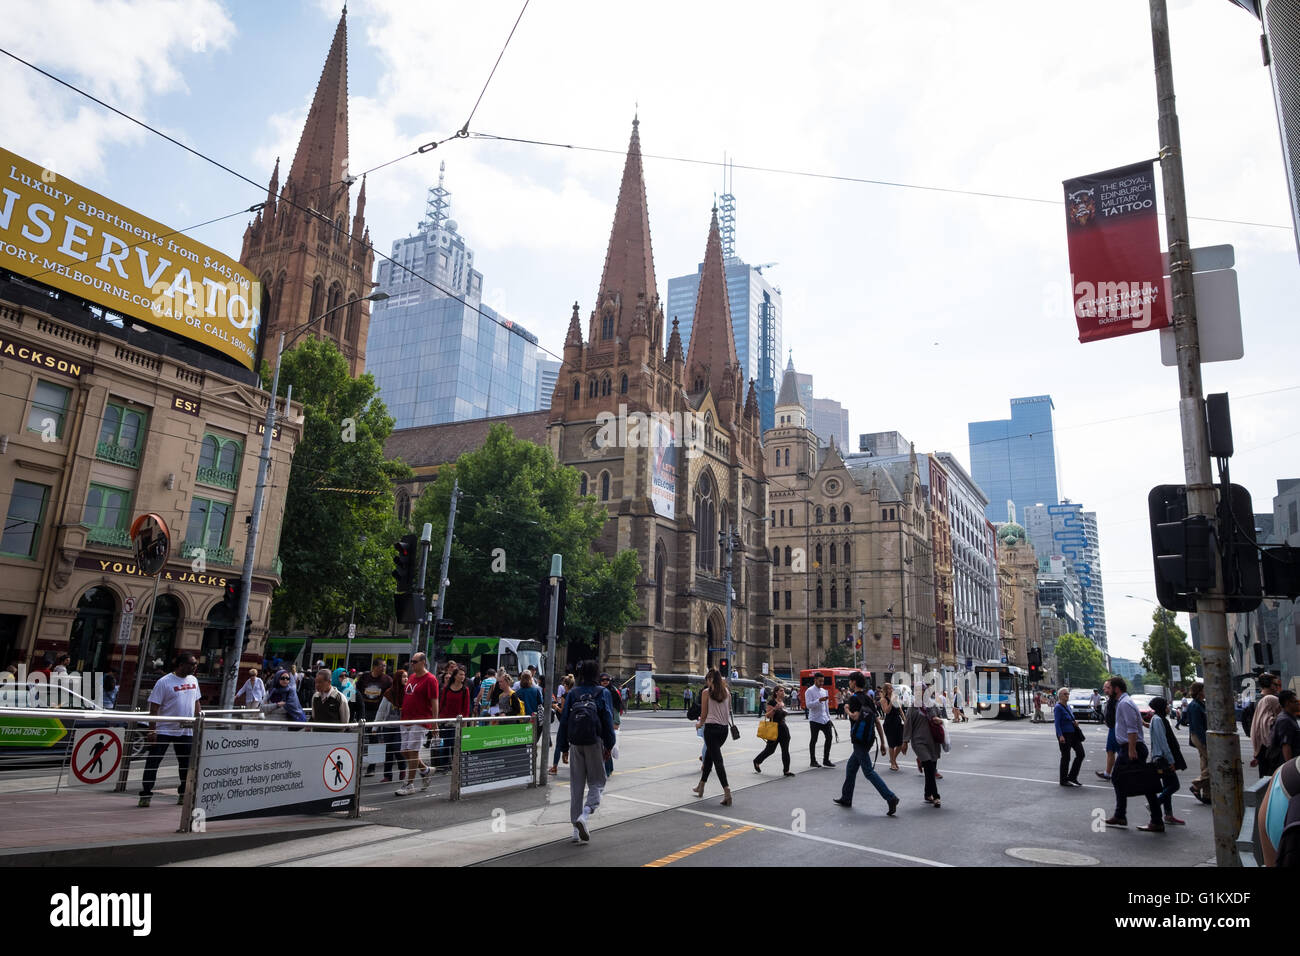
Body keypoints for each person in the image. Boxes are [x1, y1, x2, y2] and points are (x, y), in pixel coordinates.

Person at [555, 659, 617, 844]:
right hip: (594, 742)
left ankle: (575, 830)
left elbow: (564, 721)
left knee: (576, 785)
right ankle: (585, 814)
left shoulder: (573, 693)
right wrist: (610, 744)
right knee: (598, 782)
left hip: (575, 743)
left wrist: (563, 747)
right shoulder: (602, 692)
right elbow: (607, 719)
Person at [138, 652, 202, 807]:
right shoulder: (164, 682)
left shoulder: (193, 680)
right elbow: (154, 708)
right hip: (164, 729)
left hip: (185, 730)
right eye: (192, 664)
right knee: (154, 762)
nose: (195, 667)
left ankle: (182, 793)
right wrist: (152, 730)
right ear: (181, 665)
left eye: (195, 664)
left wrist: (199, 722)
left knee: (186, 764)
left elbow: (196, 702)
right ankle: (146, 794)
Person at [1105, 675, 1164, 832]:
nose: (1107, 691)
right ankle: (1121, 815)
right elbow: (1135, 723)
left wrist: (1131, 749)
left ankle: (1153, 820)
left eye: (1109, 688)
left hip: (1132, 748)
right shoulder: (1124, 702)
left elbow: (1131, 728)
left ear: (1117, 689)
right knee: (1132, 781)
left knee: (1138, 783)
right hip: (1130, 747)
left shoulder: (1124, 703)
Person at [834, 671, 899, 814]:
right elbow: (876, 721)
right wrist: (882, 742)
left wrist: (847, 710)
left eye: (850, 681)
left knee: (868, 772)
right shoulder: (869, 698)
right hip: (869, 738)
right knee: (851, 767)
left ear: (854, 682)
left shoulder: (853, 699)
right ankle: (846, 797)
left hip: (859, 739)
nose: (849, 683)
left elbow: (856, 717)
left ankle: (890, 797)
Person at [395, 652, 439, 795]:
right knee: (405, 751)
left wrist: (434, 722)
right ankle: (426, 770)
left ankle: (410, 784)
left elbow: (434, 701)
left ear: (423, 662)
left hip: (420, 720)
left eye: (414, 662)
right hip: (406, 719)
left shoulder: (431, 679)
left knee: (413, 751)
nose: (412, 664)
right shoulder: (412, 677)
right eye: (411, 661)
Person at [692, 668, 733, 806]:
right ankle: (701, 786)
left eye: (707, 680)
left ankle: (727, 791)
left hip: (711, 729)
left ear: (710, 680)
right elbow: (728, 712)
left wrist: (699, 724)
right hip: (724, 731)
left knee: (717, 761)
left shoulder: (706, 693)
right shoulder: (727, 693)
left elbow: (703, 715)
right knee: (709, 757)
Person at [1148, 697, 1187, 826]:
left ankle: (1168, 815)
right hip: (1162, 758)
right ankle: (1155, 804)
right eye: (1166, 705)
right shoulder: (1158, 720)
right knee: (1174, 785)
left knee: (1167, 785)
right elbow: (1163, 742)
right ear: (1161, 707)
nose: (1168, 708)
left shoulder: (1159, 719)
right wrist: (1170, 760)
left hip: (1161, 757)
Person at [902, 684, 942, 807]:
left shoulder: (933, 705)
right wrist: (905, 742)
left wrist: (938, 720)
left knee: (931, 768)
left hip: (933, 741)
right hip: (919, 742)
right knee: (930, 767)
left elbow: (941, 720)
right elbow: (908, 725)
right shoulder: (913, 708)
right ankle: (936, 796)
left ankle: (927, 793)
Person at [354, 660, 393, 776]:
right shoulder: (364, 677)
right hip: (364, 712)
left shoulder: (387, 680)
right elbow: (356, 691)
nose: (384, 668)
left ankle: (372, 767)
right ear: (375, 667)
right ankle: (357, 765)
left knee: (374, 740)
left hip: (377, 713)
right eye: (382, 666)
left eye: (385, 666)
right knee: (360, 738)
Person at [435, 667, 474, 771]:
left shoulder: (465, 690)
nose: (462, 676)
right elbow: (442, 703)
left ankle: (454, 765)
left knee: (453, 743)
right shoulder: (447, 688)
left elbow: (466, 708)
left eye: (463, 675)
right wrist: (438, 719)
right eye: (460, 674)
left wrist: (464, 722)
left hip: (457, 721)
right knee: (444, 744)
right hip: (445, 720)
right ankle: (443, 765)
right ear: (455, 676)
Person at [1177, 681, 1209, 802]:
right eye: (1204, 690)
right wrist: (1205, 741)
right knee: (1214, 763)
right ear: (1200, 692)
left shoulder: (1200, 704)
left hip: (1201, 736)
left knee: (1205, 763)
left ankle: (1207, 794)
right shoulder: (1195, 706)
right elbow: (1197, 726)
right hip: (1199, 736)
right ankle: (1196, 785)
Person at [753, 686, 794, 777]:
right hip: (774, 728)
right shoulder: (772, 702)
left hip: (783, 728)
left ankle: (786, 770)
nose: (783, 692)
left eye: (783, 691)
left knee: (785, 750)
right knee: (770, 750)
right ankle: (757, 761)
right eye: (781, 691)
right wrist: (775, 709)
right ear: (776, 693)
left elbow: (781, 716)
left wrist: (784, 713)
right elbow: (767, 715)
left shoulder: (782, 702)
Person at [376, 669, 407, 783]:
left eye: (406, 677)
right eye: (403, 677)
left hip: (401, 726)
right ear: (397, 679)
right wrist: (375, 727)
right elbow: (381, 711)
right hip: (388, 726)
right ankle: (387, 775)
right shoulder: (389, 693)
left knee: (397, 748)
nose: (406, 679)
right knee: (388, 751)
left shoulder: (408, 693)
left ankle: (402, 768)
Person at [1251, 674, 1283, 779]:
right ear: (1269, 685)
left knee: (1265, 777)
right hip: (1267, 745)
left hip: (1260, 744)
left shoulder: (1255, 700)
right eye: (1275, 684)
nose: (1278, 687)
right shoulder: (1270, 700)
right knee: (1270, 776)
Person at [1054, 688, 1085, 787]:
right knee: (1066, 757)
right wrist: (1060, 736)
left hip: (1073, 734)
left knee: (1081, 754)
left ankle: (1072, 776)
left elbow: (1070, 718)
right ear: (1060, 696)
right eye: (1065, 694)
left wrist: (1074, 722)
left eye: (1068, 694)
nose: (1067, 695)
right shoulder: (1058, 707)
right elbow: (1057, 723)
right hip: (1064, 734)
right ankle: (1063, 780)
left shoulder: (1068, 706)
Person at [1264, 689, 1300, 775]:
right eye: (1295, 702)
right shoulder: (1285, 720)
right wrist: (1291, 769)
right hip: (1283, 765)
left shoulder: (1289, 717)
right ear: (1288, 703)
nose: (1298, 703)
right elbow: (1286, 745)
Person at [805, 673, 835, 768]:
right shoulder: (809, 691)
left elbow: (826, 706)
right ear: (815, 680)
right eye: (820, 681)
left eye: (823, 681)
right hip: (814, 719)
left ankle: (826, 759)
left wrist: (829, 717)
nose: (822, 683)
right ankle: (812, 760)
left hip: (825, 718)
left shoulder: (824, 691)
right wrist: (819, 700)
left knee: (829, 737)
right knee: (814, 740)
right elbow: (808, 705)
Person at [547, 675, 575, 774]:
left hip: (564, 722)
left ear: (565, 685)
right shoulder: (575, 694)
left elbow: (563, 711)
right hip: (573, 722)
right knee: (574, 745)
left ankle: (554, 767)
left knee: (558, 744)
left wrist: (555, 706)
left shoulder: (565, 696)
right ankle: (573, 764)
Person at [599, 673, 623, 776]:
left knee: (606, 747)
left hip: (609, 725)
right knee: (604, 748)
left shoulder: (612, 692)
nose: (605, 681)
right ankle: (608, 768)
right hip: (601, 723)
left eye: (607, 680)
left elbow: (616, 711)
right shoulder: (599, 691)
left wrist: (613, 724)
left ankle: (607, 770)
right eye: (603, 680)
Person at [1096, 679, 1119, 781]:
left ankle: (1121, 773)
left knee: (1121, 753)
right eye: (1104, 688)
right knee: (1110, 751)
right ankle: (1107, 773)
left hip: (1117, 729)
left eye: (1108, 688)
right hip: (1111, 728)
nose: (1105, 690)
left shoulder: (1118, 700)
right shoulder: (1109, 699)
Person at [880, 682, 904, 771]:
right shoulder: (883, 700)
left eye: (892, 688)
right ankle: (893, 763)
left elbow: (900, 711)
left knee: (900, 744)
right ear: (886, 690)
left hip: (897, 722)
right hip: (889, 723)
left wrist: (905, 721)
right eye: (889, 688)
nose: (891, 690)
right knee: (891, 744)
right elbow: (886, 711)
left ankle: (892, 759)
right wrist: (891, 702)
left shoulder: (895, 698)